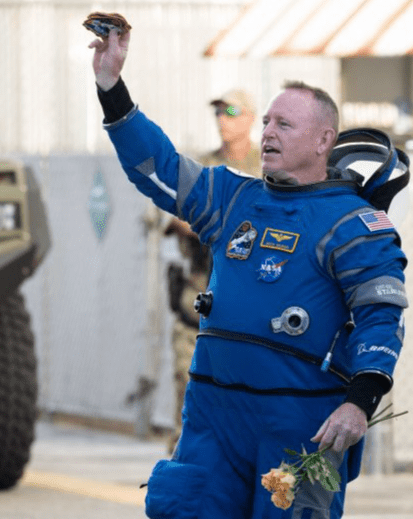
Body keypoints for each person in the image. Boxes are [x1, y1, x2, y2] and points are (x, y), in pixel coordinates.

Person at [89, 28, 408, 518]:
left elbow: (381, 317)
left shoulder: (354, 224)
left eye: (285, 124)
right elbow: (156, 167)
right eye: (267, 122)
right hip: (212, 421)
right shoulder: (231, 197)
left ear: (325, 140)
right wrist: (112, 88)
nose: (268, 133)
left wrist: (359, 402)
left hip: (297, 423)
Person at [164, 88, 261, 453]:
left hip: (251, 307)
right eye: (218, 112)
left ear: (251, 117)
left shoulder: (266, 168)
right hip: (200, 301)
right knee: (188, 395)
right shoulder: (202, 167)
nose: (223, 119)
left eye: (232, 111)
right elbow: (176, 217)